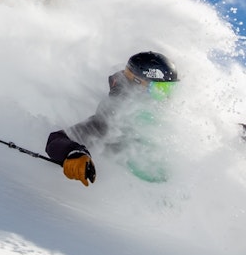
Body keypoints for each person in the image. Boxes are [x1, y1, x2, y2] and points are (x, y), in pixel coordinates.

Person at [46, 51, 179, 186]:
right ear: (137, 85)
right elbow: (56, 139)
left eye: (170, 89)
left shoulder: (165, 120)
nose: (167, 97)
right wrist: (74, 153)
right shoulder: (114, 120)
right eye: (160, 89)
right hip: (131, 196)